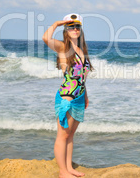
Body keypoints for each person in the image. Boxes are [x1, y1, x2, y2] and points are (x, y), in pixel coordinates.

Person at [42, 13, 93, 178]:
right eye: (71, 27)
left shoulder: (81, 50)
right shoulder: (63, 47)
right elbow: (45, 38)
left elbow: (81, 78)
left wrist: (85, 95)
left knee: (71, 135)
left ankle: (69, 167)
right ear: (66, 29)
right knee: (62, 135)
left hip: (79, 98)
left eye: (77, 26)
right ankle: (63, 172)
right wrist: (57, 23)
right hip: (66, 98)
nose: (75, 29)